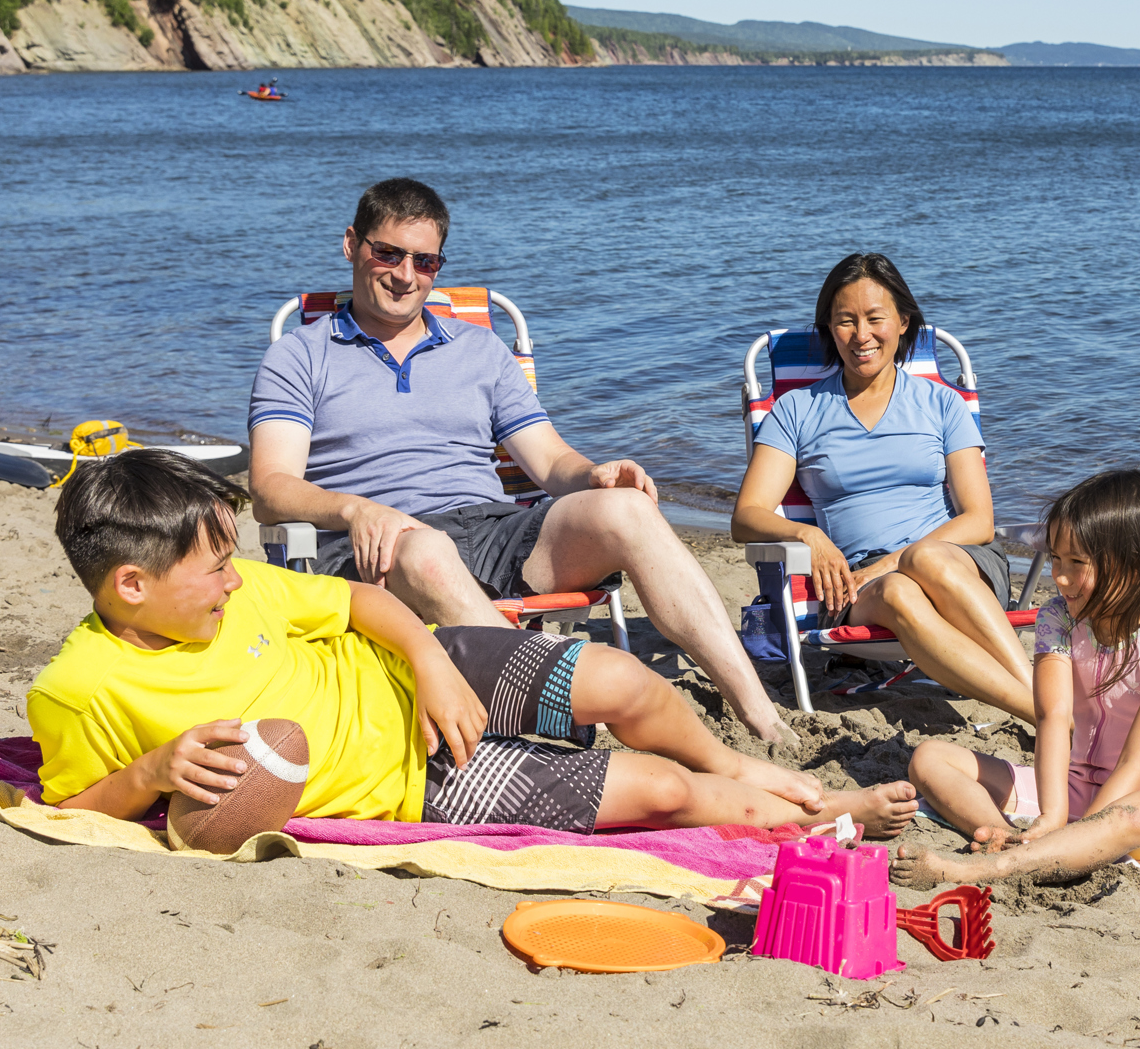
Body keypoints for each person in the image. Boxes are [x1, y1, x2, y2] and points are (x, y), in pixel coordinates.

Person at [32, 449, 916, 836]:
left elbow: (355, 605)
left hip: (421, 668)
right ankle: (816, 815)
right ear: (133, 586)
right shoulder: (81, 690)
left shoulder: (244, 585)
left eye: (230, 562)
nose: (234, 579)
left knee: (628, 685)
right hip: (415, 780)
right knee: (653, 791)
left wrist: (427, 662)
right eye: (213, 569)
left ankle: (742, 762)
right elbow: (63, 811)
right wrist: (147, 777)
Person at [248, 177, 794, 742]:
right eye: (387, 252)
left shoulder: (480, 349)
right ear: (351, 245)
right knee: (429, 551)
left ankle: (760, 715)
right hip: (378, 550)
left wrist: (595, 475)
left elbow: (550, 461)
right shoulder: (299, 356)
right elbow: (269, 488)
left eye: (425, 262)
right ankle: (554, 723)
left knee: (628, 509)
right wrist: (358, 511)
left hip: (490, 530)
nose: (405, 275)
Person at [731, 253, 1032, 718]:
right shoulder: (796, 410)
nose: (862, 335)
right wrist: (808, 535)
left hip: (958, 564)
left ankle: (1040, 704)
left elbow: (979, 521)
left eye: (875, 318)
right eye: (845, 321)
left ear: (904, 322)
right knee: (897, 592)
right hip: (863, 584)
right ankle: (1044, 712)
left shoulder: (941, 403)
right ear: (829, 330)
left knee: (924, 559)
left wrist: (899, 560)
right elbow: (747, 517)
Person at [892, 470, 1140, 886]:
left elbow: (1134, 765)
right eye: (1055, 558)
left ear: (1135, 564)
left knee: (1135, 813)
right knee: (930, 757)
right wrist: (1053, 817)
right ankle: (998, 835)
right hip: (1069, 789)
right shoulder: (1057, 618)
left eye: (1077, 563)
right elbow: (1053, 717)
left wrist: (1079, 830)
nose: (1059, 576)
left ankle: (985, 869)